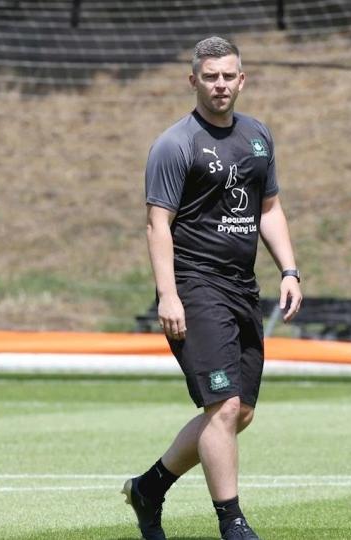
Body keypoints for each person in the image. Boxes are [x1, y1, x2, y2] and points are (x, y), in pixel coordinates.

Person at [123, 36, 303, 540]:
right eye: (210, 77)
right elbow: (158, 225)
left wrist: (289, 270)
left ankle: (149, 488)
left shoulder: (258, 135)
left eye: (228, 76)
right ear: (193, 81)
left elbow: (269, 209)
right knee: (221, 407)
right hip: (195, 286)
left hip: (243, 288)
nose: (220, 85)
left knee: (239, 411)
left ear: (241, 80)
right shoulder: (175, 144)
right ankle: (232, 522)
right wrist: (168, 294)